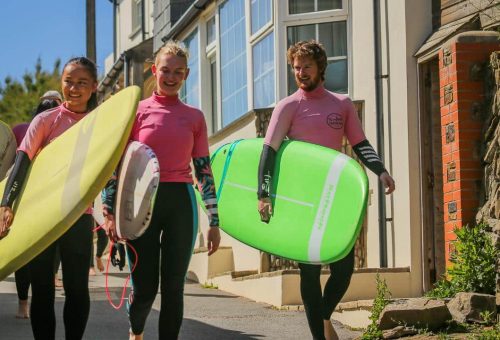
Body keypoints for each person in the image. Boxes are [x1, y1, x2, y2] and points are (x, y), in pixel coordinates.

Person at [257, 40, 395, 340]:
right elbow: (268, 151)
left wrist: (381, 171)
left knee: (343, 269)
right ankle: (320, 335)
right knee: (309, 272)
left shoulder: (341, 104)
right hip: (301, 199)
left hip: (333, 197)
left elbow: (360, 143)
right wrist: (263, 194)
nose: (301, 72)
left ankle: (322, 317)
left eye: (306, 66)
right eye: (296, 67)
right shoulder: (288, 106)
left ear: (321, 67)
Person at [102, 40, 221, 340]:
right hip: (139, 201)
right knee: (144, 289)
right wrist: (108, 211)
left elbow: (203, 170)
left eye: (178, 72)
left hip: (179, 200)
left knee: (173, 287)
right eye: (165, 70)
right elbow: (115, 166)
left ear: (186, 75)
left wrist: (214, 220)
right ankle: (136, 330)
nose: (171, 77)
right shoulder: (136, 112)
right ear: (153, 70)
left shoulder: (194, 117)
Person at [0, 57, 98, 340]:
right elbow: (22, 161)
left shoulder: (100, 123)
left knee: (77, 289)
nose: (74, 88)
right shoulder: (46, 120)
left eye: (82, 82)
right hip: (41, 216)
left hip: (79, 217)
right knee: (42, 289)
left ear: (93, 86)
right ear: (61, 83)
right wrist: (6, 203)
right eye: (69, 81)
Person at [11, 95, 61, 319]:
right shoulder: (24, 130)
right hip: (30, 198)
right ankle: (27, 299)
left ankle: (24, 303)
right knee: (33, 253)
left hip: (40, 199)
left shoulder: (65, 128)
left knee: (26, 255)